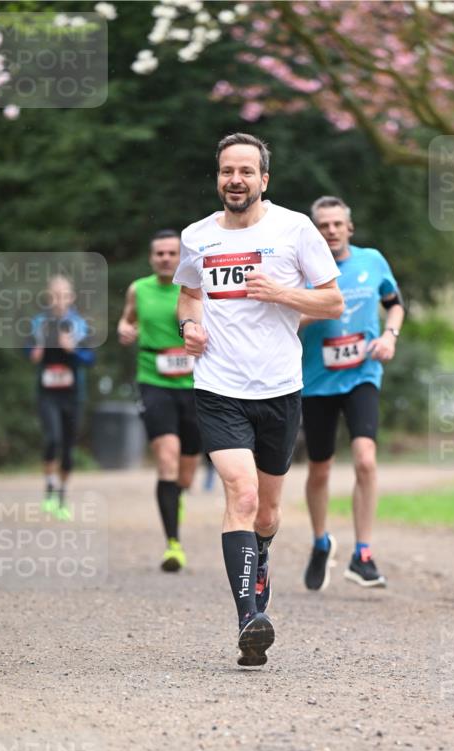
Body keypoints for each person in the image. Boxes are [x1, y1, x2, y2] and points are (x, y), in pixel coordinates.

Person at [174, 133, 343, 666]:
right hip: (218, 388)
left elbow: (333, 300)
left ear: (263, 179)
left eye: (247, 171)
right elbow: (189, 292)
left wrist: (281, 294)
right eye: (228, 171)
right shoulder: (197, 236)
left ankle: (260, 555)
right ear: (218, 176)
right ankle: (250, 618)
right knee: (241, 497)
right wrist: (189, 326)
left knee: (267, 513)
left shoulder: (294, 228)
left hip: (279, 390)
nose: (236, 180)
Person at [300, 196, 405, 590]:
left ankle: (363, 553)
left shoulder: (372, 261)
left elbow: (394, 305)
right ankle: (320, 541)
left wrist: (390, 337)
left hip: (363, 373)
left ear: (350, 228)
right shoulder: (303, 270)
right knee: (320, 468)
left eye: (337, 224)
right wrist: (318, 308)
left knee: (365, 459)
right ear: (316, 230)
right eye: (323, 225)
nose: (331, 231)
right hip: (316, 381)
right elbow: (285, 322)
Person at [118, 230, 201, 572]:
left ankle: (177, 496)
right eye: (159, 254)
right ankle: (173, 544)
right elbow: (128, 318)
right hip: (153, 380)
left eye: (172, 253)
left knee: (185, 471)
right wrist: (125, 328)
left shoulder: (196, 288)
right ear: (152, 258)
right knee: (166, 460)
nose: (165, 258)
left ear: (180, 257)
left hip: (196, 383)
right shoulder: (139, 289)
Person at [28, 275, 94, 520]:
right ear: (48, 296)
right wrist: (34, 353)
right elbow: (27, 350)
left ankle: (62, 498)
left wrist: (73, 351)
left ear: (72, 297)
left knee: (67, 448)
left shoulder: (80, 325)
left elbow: (91, 359)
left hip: (73, 394)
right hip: (47, 392)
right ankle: (49, 487)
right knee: (52, 439)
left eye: (64, 294)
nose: (59, 299)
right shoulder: (39, 323)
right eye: (54, 294)